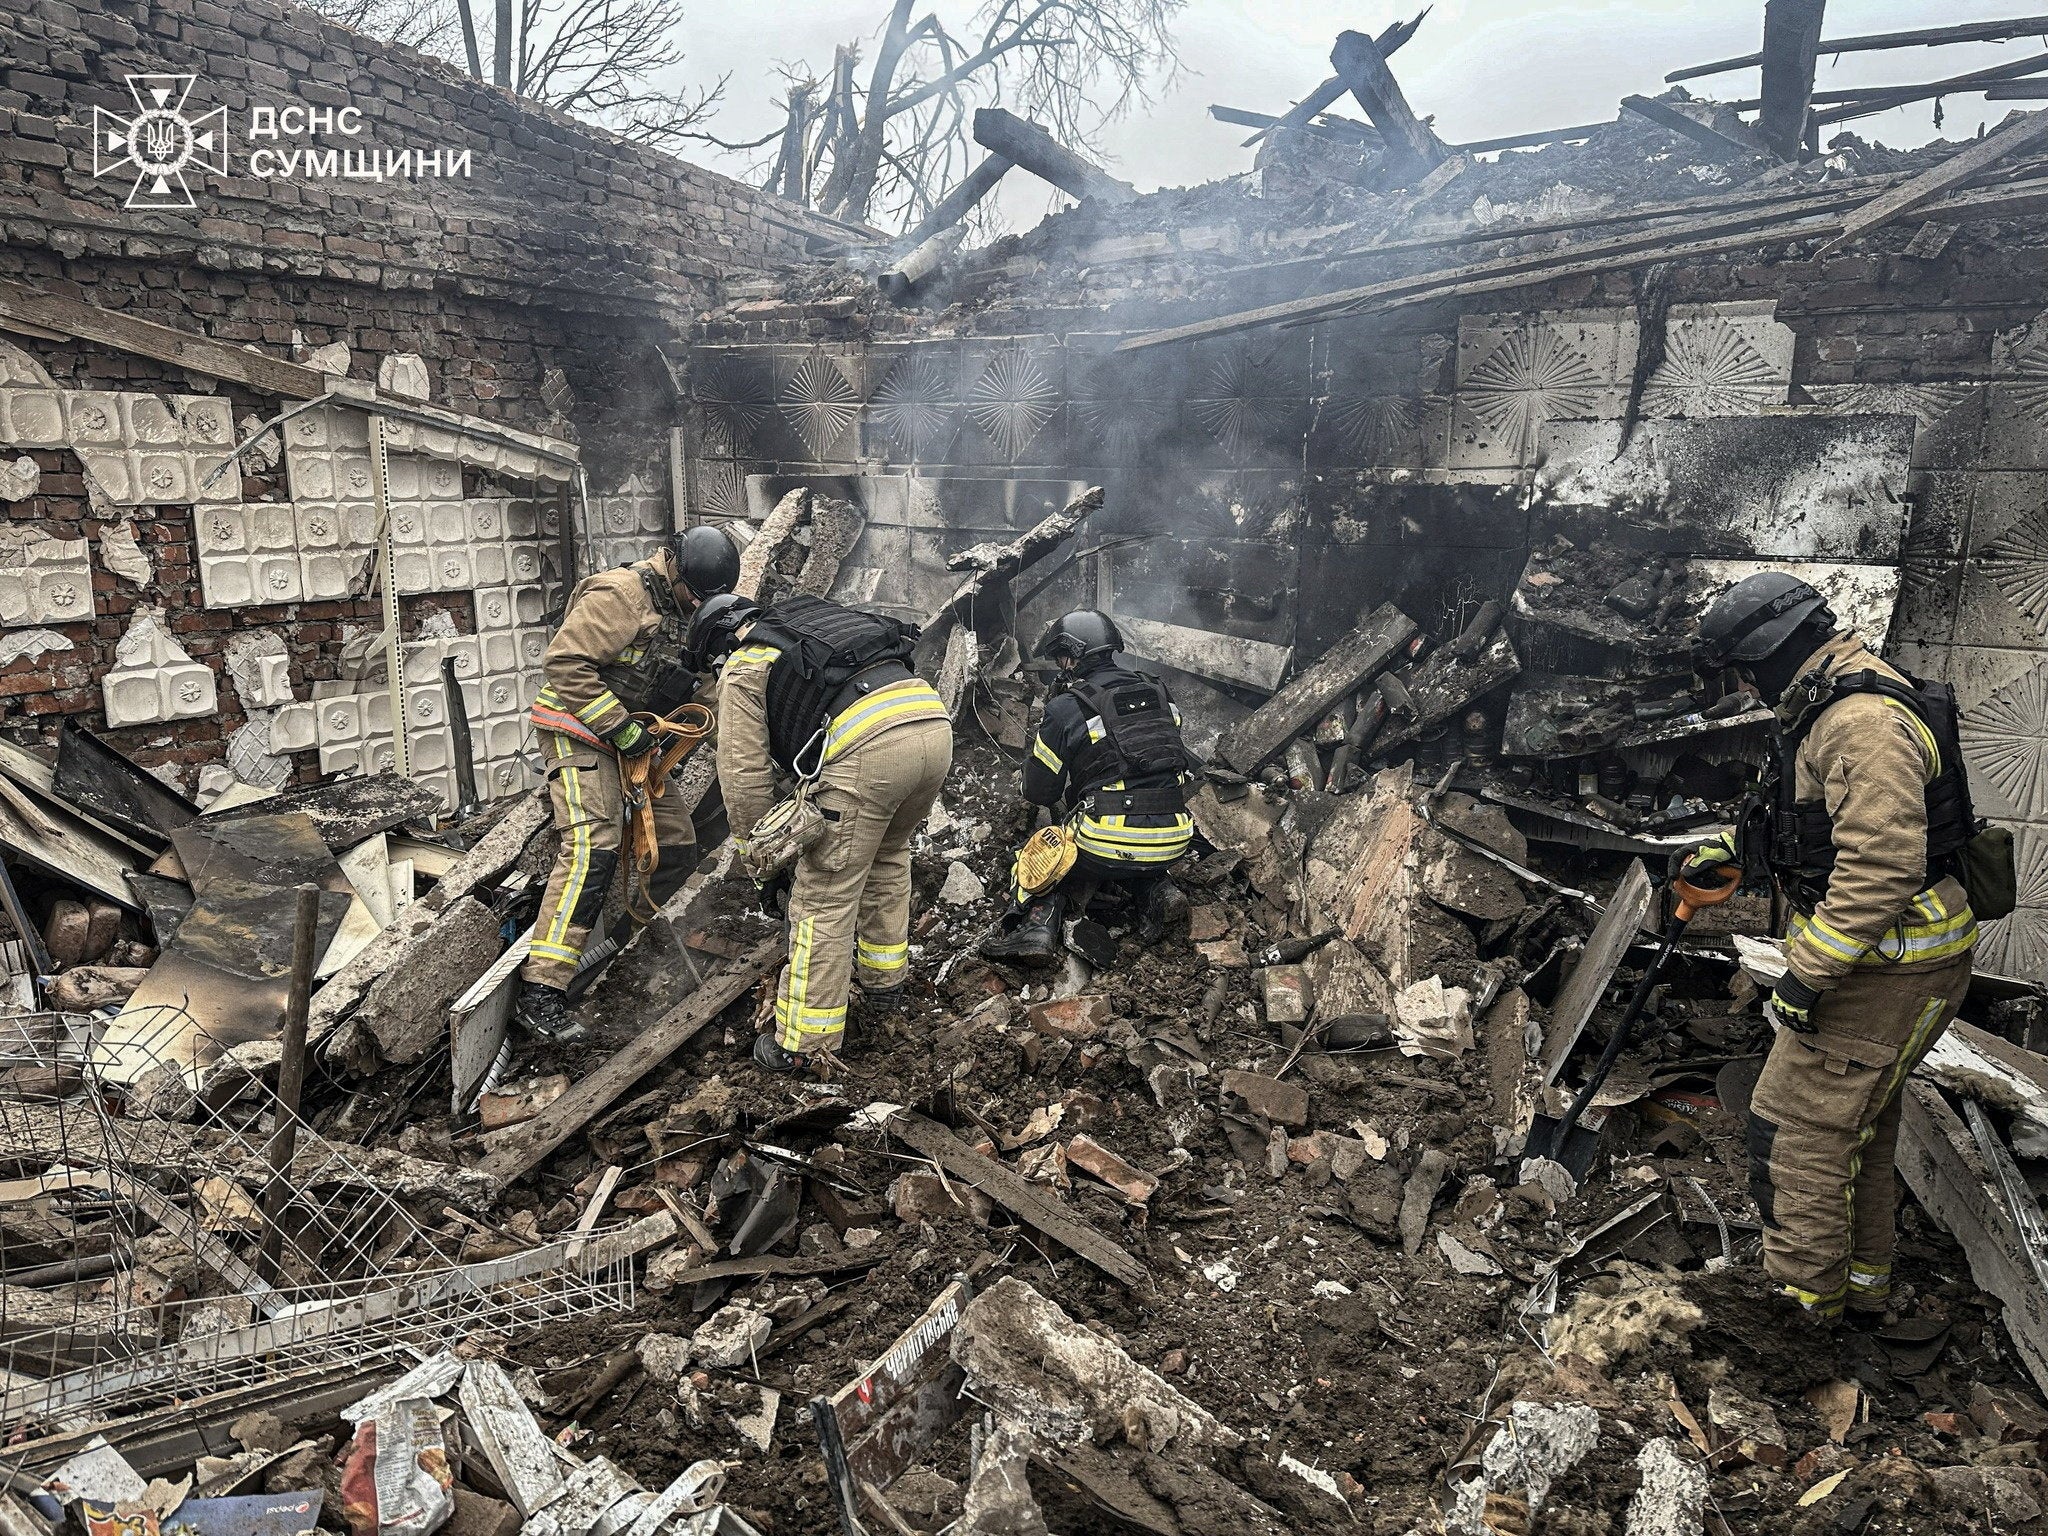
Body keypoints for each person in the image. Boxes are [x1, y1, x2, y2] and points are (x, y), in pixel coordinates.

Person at [1687, 571, 1979, 1321]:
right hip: (1893, 960)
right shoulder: (1830, 699)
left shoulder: (1859, 721)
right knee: (1859, 1133)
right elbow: (1823, 819)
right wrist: (1735, 847)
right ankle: (1860, 1295)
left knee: (1797, 1135)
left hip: (1888, 969)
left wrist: (1805, 977)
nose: (1748, 688)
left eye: (1748, 671)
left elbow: (1881, 866)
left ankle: (1799, 1319)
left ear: (1777, 652)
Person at [690, 590, 953, 1073]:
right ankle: (884, 986)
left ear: (718, 644)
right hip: (931, 724)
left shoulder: (744, 665)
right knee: (889, 858)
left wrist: (762, 865)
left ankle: (804, 1043)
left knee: (824, 895)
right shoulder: (810, 624)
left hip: (871, 749)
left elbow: (744, 778)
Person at [515, 526, 740, 1038]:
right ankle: (542, 989)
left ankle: (617, 944)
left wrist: (758, 749)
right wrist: (622, 729)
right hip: (578, 730)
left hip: (633, 744)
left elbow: (707, 695)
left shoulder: (688, 614)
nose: (699, 607)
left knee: (678, 848)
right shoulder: (620, 595)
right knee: (593, 843)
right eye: (697, 598)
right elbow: (565, 664)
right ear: (677, 572)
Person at [980, 610, 1195, 968]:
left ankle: (1036, 927)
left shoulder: (1067, 706)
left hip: (1106, 841)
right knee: (1138, 839)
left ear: (1070, 654)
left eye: (1061, 658)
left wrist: (1031, 770)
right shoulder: (1158, 689)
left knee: (1043, 850)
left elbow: (1040, 792)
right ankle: (1157, 890)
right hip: (1175, 836)